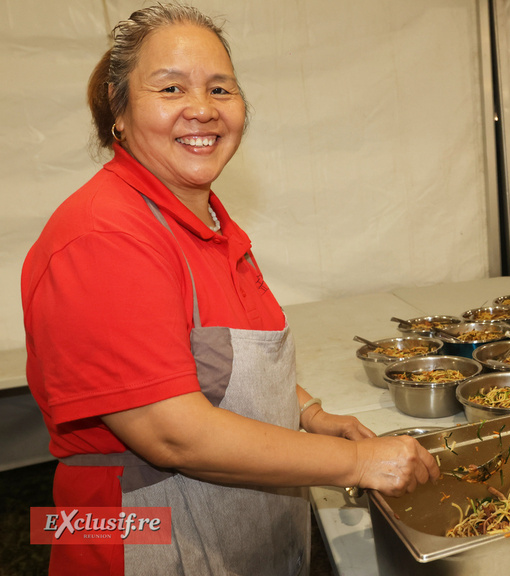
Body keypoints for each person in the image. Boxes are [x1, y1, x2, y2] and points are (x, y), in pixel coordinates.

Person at [20, 5, 439, 575]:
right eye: (170, 87)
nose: (202, 109)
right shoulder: (104, 237)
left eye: (221, 88)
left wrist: (311, 415)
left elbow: (225, 364)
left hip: (235, 521)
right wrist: (355, 460)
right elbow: (173, 435)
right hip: (139, 532)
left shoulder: (210, 226)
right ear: (118, 111)